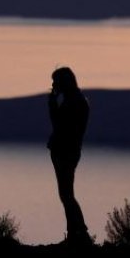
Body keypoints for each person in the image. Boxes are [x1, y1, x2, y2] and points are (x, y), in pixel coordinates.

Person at [47, 66, 91, 246]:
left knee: (66, 195)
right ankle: (74, 234)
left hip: (65, 151)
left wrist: (52, 105)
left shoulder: (74, 102)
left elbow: (59, 125)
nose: (53, 85)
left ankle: (80, 233)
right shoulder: (76, 100)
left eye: (56, 81)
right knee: (66, 194)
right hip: (66, 150)